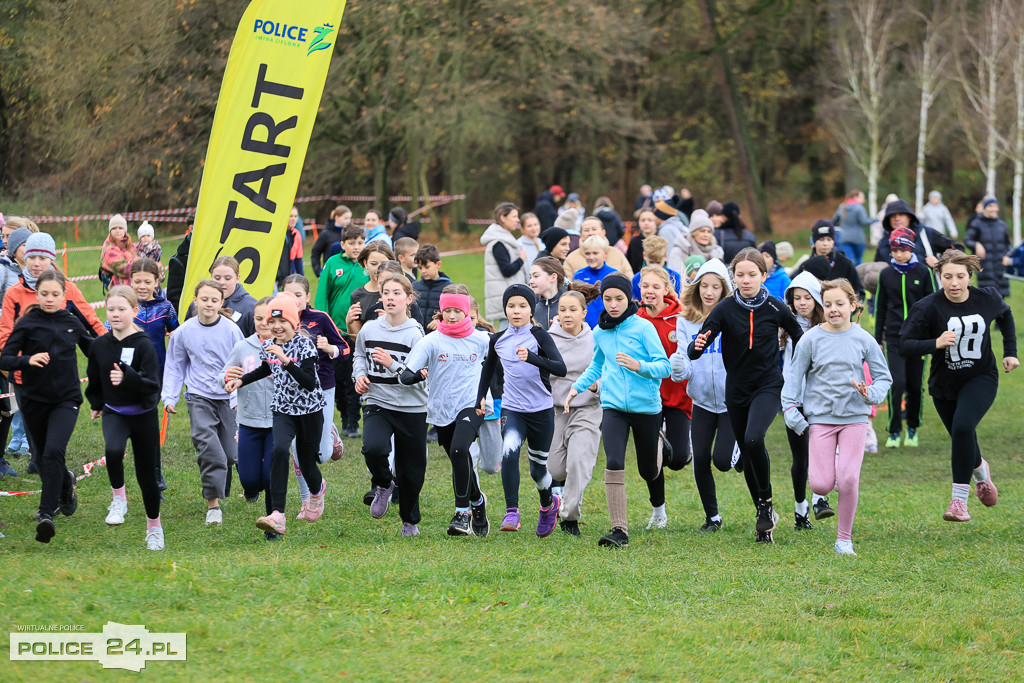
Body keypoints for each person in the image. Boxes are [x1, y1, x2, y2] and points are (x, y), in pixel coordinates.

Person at [688, 248, 803, 543]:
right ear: (734, 277)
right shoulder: (725, 309)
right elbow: (696, 347)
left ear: (764, 276)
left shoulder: (776, 308)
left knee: (754, 439)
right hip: (735, 391)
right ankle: (763, 516)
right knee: (749, 453)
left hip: (767, 386)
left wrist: (805, 371)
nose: (746, 280)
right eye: (740, 275)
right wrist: (698, 345)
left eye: (752, 274)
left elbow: (802, 341)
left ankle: (765, 503)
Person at [899, 250, 1018, 523]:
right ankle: (980, 472)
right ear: (939, 276)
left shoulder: (986, 298)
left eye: (960, 277)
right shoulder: (928, 307)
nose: (954, 283)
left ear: (970, 277)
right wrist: (935, 343)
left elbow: (1006, 314)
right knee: (961, 435)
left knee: (964, 427)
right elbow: (904, 344)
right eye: (947, 276)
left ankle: (959, 502)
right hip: (944, 383)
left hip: (981, 377)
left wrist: (1010, 352)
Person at [782, 279, 892, 556]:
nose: (833, 309)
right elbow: (794, 377)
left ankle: (844, 539)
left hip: (855, 418)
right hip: (820, 419)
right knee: (820, 483)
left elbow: (883, 377)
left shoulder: (863, 338)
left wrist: (870, 394)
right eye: (828, 304)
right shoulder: (810, 339)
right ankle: (831, 462)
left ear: (853, 306)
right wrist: (790, 410)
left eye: (840, 304)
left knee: (848, 480)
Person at [565, 274, 671, 548]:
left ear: (629, 299)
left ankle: (659, 442)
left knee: (649, 471)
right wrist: (576, 388)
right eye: (608, 299)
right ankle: (619, 531)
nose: (613, 305)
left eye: (619, 299)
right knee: (614, 462)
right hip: (612, 406)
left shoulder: (643, 328)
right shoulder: (600, 332)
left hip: (646, 407)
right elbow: (597, 365)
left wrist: (639, 366)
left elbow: (665, 367)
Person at [225, 292, 328, 538]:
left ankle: (317, 490)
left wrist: (285, 360)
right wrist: (240, 381)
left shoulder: (305, 345)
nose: (276, 327)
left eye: (282, 322)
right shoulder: (267, 345)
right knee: (279, 450)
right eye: (272, 322)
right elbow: (264, 369)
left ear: (293, 322)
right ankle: (278, 515)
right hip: (282, 409)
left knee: (306, 462)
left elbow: (309, 383)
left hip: (310, 411)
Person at [1, 270, 93, 543]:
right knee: (42, 458)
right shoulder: (27, 323)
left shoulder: (72, 323)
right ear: (37, 294)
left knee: (53, 451)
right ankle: (66, 483)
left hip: (66, 400)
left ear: (65, 296)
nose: (50, 299)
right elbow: (5, 359)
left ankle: (45, 515)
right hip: (32, 400)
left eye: (55, 294)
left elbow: (95, 350)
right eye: (44, 294)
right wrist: (26, 360)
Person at [398, 287, 491, 536]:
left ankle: (462, 513)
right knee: (459, 458)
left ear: (466, 312)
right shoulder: (431, 341)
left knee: (460, 450)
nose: (451, 315)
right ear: (441, 312)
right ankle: (478, 501)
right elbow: (405, 375)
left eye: (457, 311)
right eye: (447, 310)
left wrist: (491, 396)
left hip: (471, 405)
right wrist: (417, 374)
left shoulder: (482, 339)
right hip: (441, 409)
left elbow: (499, 366)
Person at [475, 284, 566, 536]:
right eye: (511, 306)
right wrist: (480, 397)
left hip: (541, 411)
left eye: (522, 306)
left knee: (538, 470)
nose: (516, 311)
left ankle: (549, 504)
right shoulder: (498, 339)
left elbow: (560, 368)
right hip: (512, 409)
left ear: (531, 309)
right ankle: (511, 512)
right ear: (505, 309)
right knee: (509, 452)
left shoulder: (540, 336)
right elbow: (488, 369)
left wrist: (533, 358)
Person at [85, 286, 165, 550]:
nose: (116, 314)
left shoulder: (144, 345)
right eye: (111, 310)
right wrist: (96, 403)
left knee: (147, 477)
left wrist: (127, 377)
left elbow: (152, 384)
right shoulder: (100, 345)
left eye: (121, 309)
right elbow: (94, 377)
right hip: (115, 412)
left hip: (143, 416)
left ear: (134, 310)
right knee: (113, 449)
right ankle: (118, 498)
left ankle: (154, 527)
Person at [162, 279, 243, 526]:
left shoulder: (231, 330)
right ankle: (213, 504)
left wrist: (237, 396)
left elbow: (241, 364)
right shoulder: (185, 331)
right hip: (198, 396)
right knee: (209, 449)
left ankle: (221, 484)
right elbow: (175, 365)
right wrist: (169, 396)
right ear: (195, 301)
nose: (208, 304)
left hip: (227, 397)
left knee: (230, 455)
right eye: (204, 299)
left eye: (214, 300)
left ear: (221, 303)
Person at [353, 272, 428, 536]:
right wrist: (359, 375)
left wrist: (392, 364)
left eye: (397, 293)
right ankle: (384, 483)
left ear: (408, 299)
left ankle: (409, 521)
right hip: (378, 401)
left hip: (412, 407)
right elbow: (359, 354)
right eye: (386, 293)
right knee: (372, 448)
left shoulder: (417, 335)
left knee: (411, 471)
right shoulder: (370, 328)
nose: (390, 298)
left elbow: (419, 379)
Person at [670, 259, 740, 533]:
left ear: (725, 289)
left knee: (722, 461)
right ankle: (712, 518)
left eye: (715, 287)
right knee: (699, 458)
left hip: (730, 401)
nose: (709, 292)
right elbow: (685, 368)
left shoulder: (734, 317)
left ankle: (740, 451)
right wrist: (679, 368)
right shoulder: (685, 320)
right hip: (700, 400)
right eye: (704, 286)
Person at [282, 275, 347, 510]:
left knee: (322, 454)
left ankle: (330, 433)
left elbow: (345, 347)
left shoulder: (319, 318)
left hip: (323, 389)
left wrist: (330, 349)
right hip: (292, 392)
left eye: (298, 295)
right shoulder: (278, 320)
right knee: (299, 450)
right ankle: (305, 501)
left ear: (307, 297)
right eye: (288, 295)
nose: (294, 300)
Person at [220, 297, 279, 540]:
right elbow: (224, 373)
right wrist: (226, 378)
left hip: (278, 422)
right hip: (248, 421)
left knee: (271, 475)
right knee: (249, 478)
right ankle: (252, 490)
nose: (264, 323)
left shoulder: (284, 346)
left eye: (270, 319)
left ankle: (273, 526)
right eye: (258, 319)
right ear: (252, 320)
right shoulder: (243, 347)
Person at [874, 227, 936, 448]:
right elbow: (880, 308)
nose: (899, 254)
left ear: (911, 249)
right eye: (895, 250)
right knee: (896, 383)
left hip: (919, 340)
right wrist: (877, 339)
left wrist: (933, 337)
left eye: (903, 249)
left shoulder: (924, 273)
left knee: (914, 384)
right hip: (894, 338)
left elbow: (934, 306)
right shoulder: (886, 274)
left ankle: (912, 428)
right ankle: (893, 431)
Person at [547, 290, 602, 536]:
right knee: (556, 469)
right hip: (557, 410)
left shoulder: (596, 339)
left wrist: (595, 385)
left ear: (583, 312)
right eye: (562, 310)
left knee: (578, 462)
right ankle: (562, 500)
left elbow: (605, 370)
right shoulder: (548, 339)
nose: (567, 315)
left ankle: (569, 518)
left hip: (588, 408)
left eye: (572, 310)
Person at [637, 266, 693, 496]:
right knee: (652, 461)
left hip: (678, 397)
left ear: (666, 289)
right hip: (648, 398)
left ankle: (682, 446)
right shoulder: (634, 317)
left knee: (677, 459)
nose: (649, 291)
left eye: (655, 286)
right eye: (645, 286)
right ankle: (658, 511)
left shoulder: (680, 317)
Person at [781, 271, 831, 525]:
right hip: (794, 402)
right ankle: (801, 507)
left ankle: (819, 499)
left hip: (821, 401)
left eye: (807, 297)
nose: (802, 303)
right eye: (797, 298)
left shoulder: (827, 327)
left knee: (822, 453)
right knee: (801, 458)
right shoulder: (785, 328)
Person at [315, 224, 367, 438]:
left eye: (360, 243)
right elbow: (322, 296)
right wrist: (324, 326)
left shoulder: (367, 265)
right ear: (343, 244)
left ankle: (352, 422)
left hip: (358, 331)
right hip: (335, 333)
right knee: (336, 376)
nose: (356, 247)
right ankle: (343, 413)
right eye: (352, 243)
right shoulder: (332, 263)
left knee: (355, 377)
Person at [129, 258, 178, 378]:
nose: (142, 286)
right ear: (131, 281)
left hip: (157, 368)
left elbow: (177, 331)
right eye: (137, 282)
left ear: (156, 282)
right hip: (129, 369)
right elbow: (107, 331)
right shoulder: (124, 306)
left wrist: (174, 334)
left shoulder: (165, 307)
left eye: (147, 282)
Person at [481, 202, 527, 328]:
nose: (518, 220)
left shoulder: (505, 240)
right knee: (507, 333)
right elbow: (507, 270)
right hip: (504, 297)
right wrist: (521, 259)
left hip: (508, 294)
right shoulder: (498, 243)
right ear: (503, 217)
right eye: (514, 216)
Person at [185, 255, 257, 336]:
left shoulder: (251, 307)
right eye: (217, 278)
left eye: (227, 278)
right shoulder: (199, 304)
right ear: (211, 277)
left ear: (237, 278)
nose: (222, 282)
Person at [875, 198, 954, 267]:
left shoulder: (926, 233)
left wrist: (940, 263)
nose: (897, 218)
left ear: (909, 216)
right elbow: (876, 270)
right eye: (893, 216)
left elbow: (956, 249)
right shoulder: (883, 243)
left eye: (901, 214)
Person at [797, 221, 864, 298]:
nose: (825, 244)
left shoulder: (845, 264)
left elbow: (859, 293)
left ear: (833, 241)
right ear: (814, 241)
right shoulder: (805, 267)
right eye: (821, 239)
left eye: (829, 239)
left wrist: (848, 308)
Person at [964, 198, 1011, 298]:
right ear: (985, 208)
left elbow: (1008, 245)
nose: (994, 209)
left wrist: (1009, 256)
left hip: (1001, 268)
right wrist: (976, 244)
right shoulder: (976, 223)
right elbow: (967, 240)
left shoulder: (1002, 225)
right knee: (987, 298)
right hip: (986, 268)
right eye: (990, 206)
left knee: (1002, 301)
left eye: (995, 206)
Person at [562, 217, 633, 279]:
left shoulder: (617, 254)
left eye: (594, 229)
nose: (591, 233)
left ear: (603, 232)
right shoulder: (571, 259)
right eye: (586, 230)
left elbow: (629, 281)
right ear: (580, 235)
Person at [573, 235, 619, 330]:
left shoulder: (614, 275)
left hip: (609, 326)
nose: (591, 257)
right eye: (587, 253)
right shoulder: (579, 275)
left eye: (595, 253)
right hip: (585, 328)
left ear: (605, 254)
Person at [667, 210, 723, 274]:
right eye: (702, 231)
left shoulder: (716, 252)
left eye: (709, 231)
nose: (706, 235)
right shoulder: (680, 249)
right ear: (694, 233)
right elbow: (674, 276)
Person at [630, 235, 682, 300]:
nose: (655, 267)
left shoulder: (675, 277)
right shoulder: (637, 278)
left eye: (658, 262)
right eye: (651, 262)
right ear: (644, 256)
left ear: (666, 256)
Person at [413, 244, 451, 330]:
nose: (423, 271)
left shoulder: (449, 289)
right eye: (420, 267)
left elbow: (454, 314)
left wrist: (441, 320)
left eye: (427, 267)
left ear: (438, 264)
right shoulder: (414, 287)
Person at [832, 190, 871, 265]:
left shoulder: (842, 206)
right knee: (858, 260)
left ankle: (848, 275)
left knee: (848, 260)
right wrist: (876, 219)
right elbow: (865, 222)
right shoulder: (859, 208)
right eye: (862, 198)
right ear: (855, 197)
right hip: (858, 238)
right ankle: (857, 275)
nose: (864, 200)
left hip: (844, 237)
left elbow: (834, 220)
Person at [311, 205, 351, 277]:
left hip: (348, 273)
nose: (348, 221)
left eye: (349, 218)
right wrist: (318, 272)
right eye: (346, 218)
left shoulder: (350, 233)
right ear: (337, 217)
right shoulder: (325, 234)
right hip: (331, 274)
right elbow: (315, 253)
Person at [100, 214, 137, 289]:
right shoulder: (109, 249)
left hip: (134, 288)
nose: (117, 231)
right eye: (114, 228)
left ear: (125, 230)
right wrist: (142, 265)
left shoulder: (131, 246)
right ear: (110, 231)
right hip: (118, 291)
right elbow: (122, 269)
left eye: (120, 228)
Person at [626, 209, 660, 274]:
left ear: (656, 222)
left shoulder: (660, 241)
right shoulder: (634, 242)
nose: (646, 223)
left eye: (649, 220)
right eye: (643, 220)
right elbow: (629, 264)